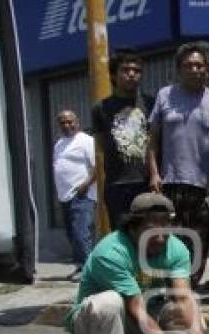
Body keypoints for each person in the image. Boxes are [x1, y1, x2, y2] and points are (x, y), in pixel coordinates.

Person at [66, 192, 209, 334]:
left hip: (138, 323)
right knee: (110, 302)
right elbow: (138, 312)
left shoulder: (176, 248)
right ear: (132, 227)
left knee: (186, 311)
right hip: (96, 325)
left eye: (165, 230)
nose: (160, 238)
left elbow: (184, 300)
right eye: (152, 231)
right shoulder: (112, 251)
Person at [147, 42, 209, 288]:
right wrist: (153, 174)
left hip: (204, 186)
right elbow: (152, 141)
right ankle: (171, 284)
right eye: (189, 65)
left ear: (208, 69)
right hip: (170, 182)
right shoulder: (164, 95)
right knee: (170, 237)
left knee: (200, 239)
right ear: (179, 69)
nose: (195, 69)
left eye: (200, 65)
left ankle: (190, 285)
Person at [91, 48, 154, 229]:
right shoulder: (101, 108)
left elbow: (155, 141)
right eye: (126, 70)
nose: (132, 74)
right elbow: (101, 145)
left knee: (148, 235)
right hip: (116, 185)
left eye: (137, 71)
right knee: (121, 237)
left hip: (146, 183)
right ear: (113, 75)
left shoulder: (151, 103)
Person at [53, 110, 97, 281]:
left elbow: (97, 167)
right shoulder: (59, 144)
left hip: (82, 194)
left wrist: (85, 185)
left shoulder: (86, 141)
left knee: (81, 233)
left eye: (70, 121)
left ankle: (88, 269)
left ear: (77, 122)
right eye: (63, 122)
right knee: (72, 234)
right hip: (65, 196)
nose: (67, 125)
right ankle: (81, 266)